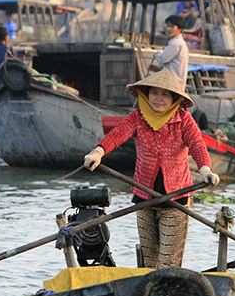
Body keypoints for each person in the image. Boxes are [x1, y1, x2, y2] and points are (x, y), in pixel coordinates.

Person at [82, 69, 220, 269]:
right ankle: (148, 293)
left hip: (176, 198)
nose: (159, 99)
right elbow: (118, 134)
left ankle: (167, 292)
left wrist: (206, 170)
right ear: (146, 94)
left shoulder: (183, 119)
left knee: (169, 261)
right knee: (149, 259)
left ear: (173, 98)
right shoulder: (138, 117)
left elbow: (197, 145)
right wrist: (98, 152)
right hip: (144, 196)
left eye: (165, 94)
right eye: (154, 93)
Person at [149, 15, 189, 87]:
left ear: (179, 29)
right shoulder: (180, 43)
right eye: (168, 26)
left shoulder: (175, 43)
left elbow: (162, 58)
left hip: (172, 83)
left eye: (172, 27)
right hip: (174, 82)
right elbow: (171, 65)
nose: (169, 29)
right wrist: (157, 69)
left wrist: (156, 55)